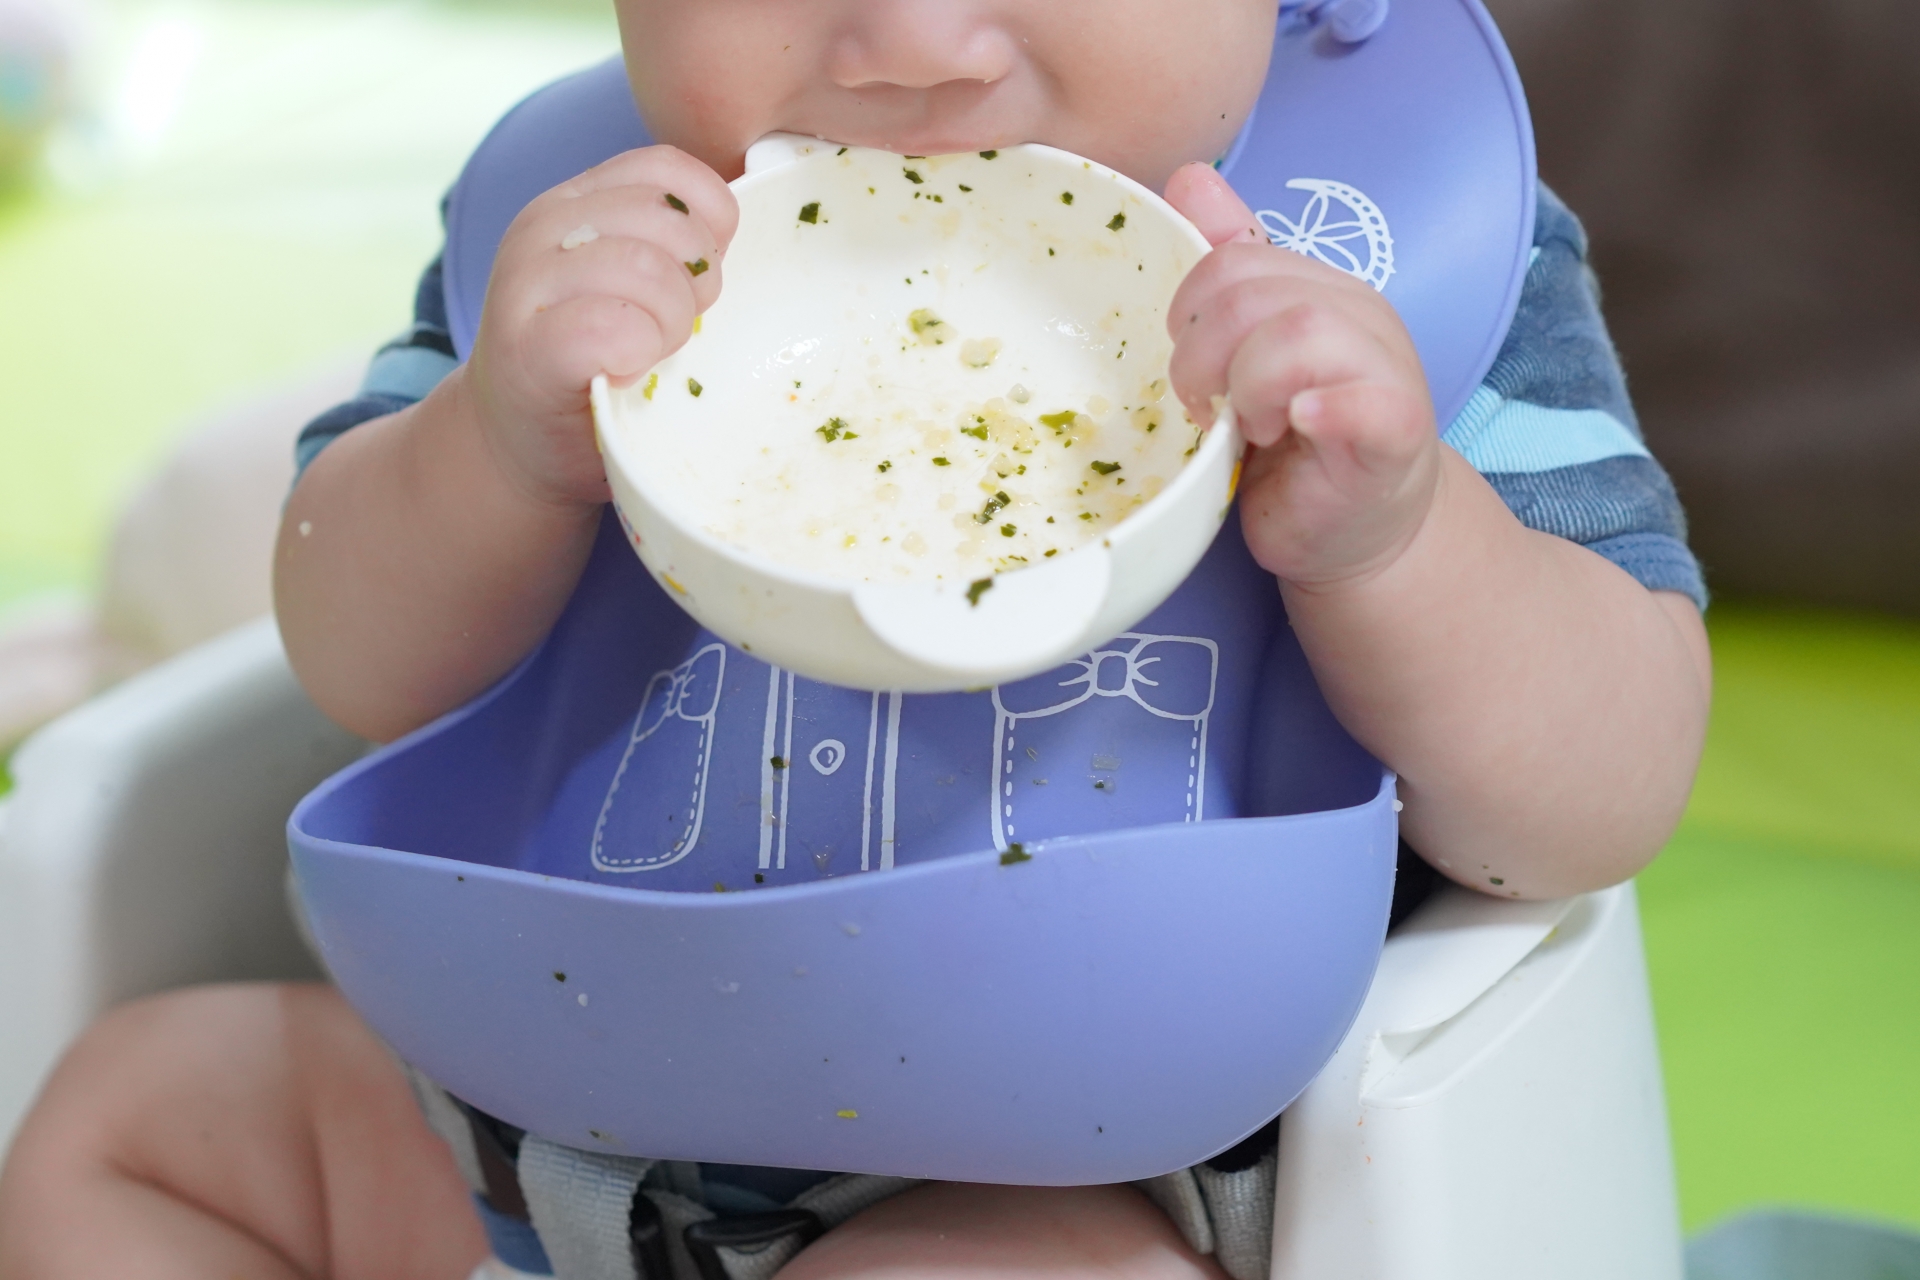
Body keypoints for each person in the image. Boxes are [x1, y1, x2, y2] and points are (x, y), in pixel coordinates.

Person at [0, 1, 1712, 1276]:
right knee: (133, 1128)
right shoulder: (594, 232)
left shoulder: (1400, 258)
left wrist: (1401, 541)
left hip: (1070, 1184)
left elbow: (1601, 797)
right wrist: (495, 449)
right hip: (534, 1115)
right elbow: (358, 666)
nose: (909, 44)